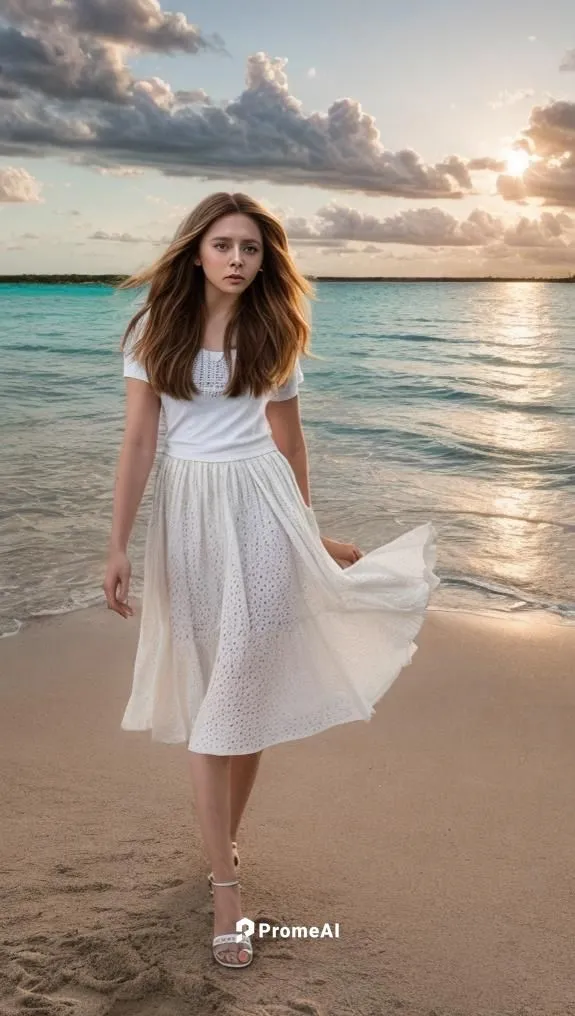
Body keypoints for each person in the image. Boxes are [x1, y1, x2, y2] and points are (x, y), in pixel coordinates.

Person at [102, 191, 440, 970]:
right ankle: (226, 874)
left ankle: (224, 860)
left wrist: (306, 536)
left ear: (265, 260)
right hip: (187, 515)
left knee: (244, 687)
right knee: (212, 688)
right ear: (196, 252)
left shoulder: (274, 331)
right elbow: (139, 439)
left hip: (260, 509)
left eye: (250, 248)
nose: (236, 259)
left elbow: (289, 449)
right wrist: (115, 544)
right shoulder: (154, 331)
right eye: (223, 244)